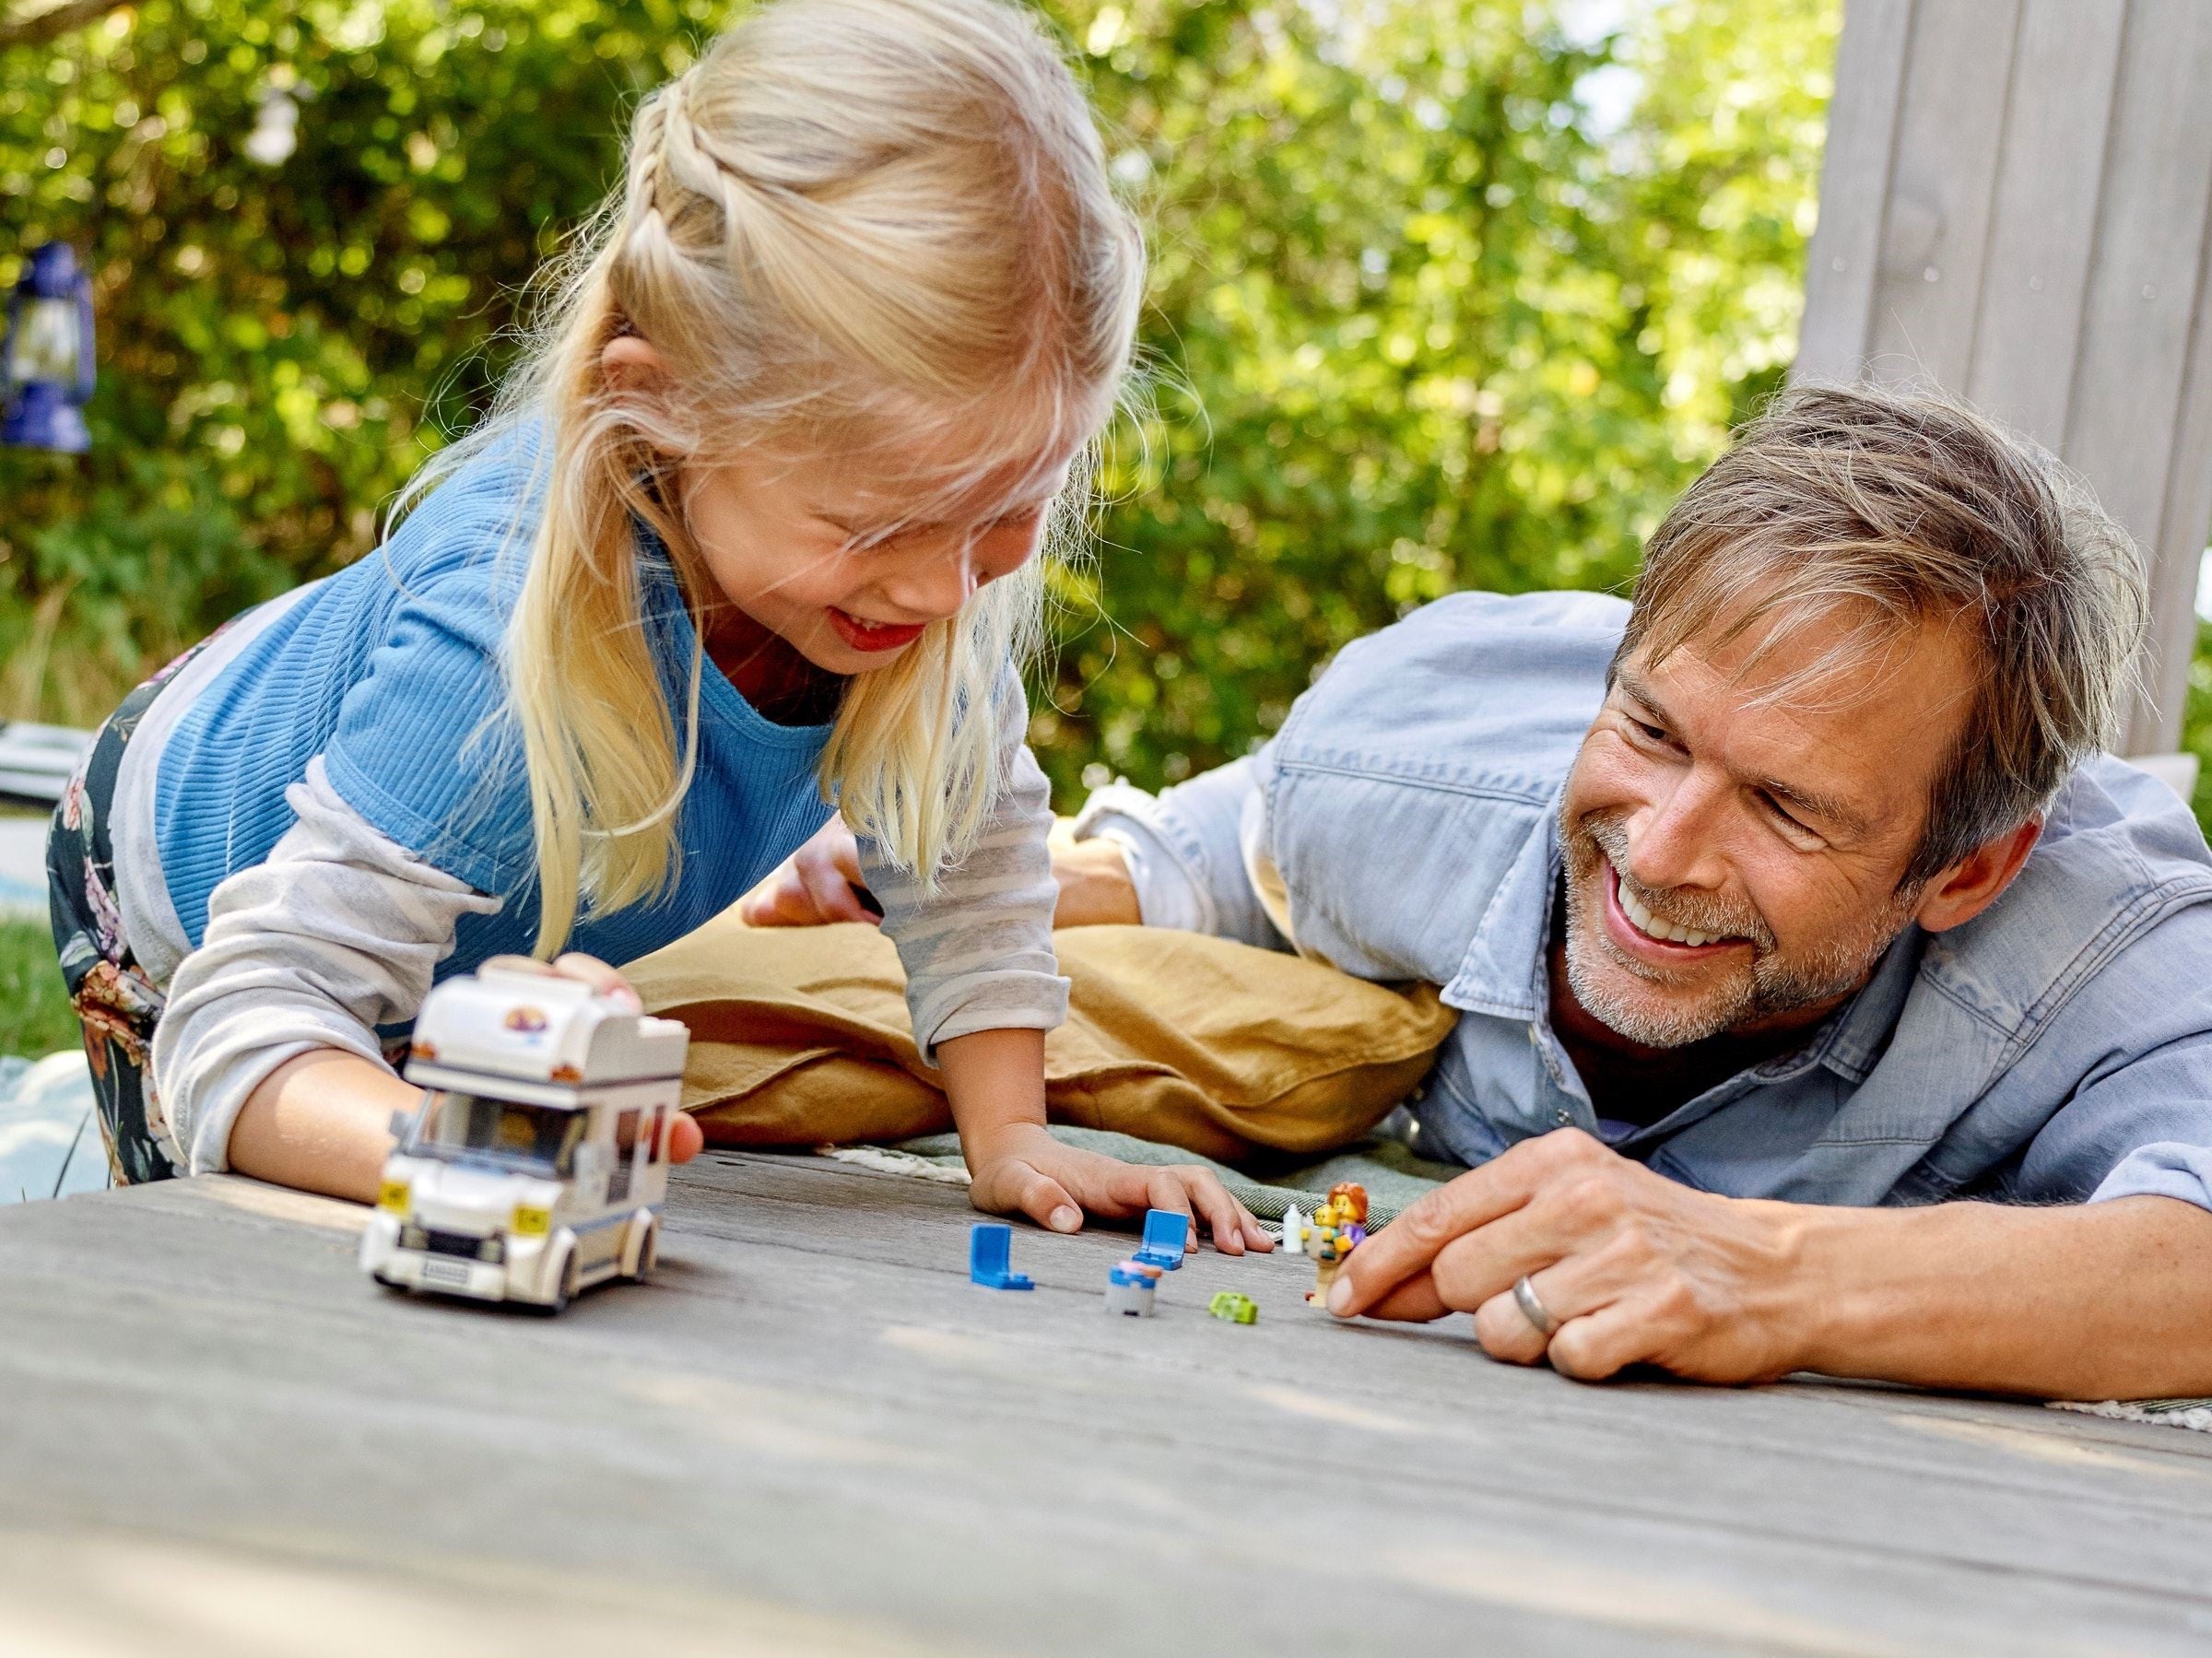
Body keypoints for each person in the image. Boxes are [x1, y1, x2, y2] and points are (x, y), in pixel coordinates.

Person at [46, 0, 1268, 1255]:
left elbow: (968, 859)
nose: (949, 590)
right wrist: (457, 1152)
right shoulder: (492, 639)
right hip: (185, 886)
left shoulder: (905, 575)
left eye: (1012, 507)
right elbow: (250, 1016)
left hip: (433, 873)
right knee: (257, 1245)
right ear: (661, 407)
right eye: (876, 525)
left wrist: (1012, 1140)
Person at [752, 383, 2212, 1398]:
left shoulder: (2112, 951)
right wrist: (968, 891)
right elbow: (1215, 863)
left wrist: (1775, 1275)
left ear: (1966, 868)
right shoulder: (1413, 758)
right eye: (1649, 730)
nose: (1661, 851)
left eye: (1784, 807)